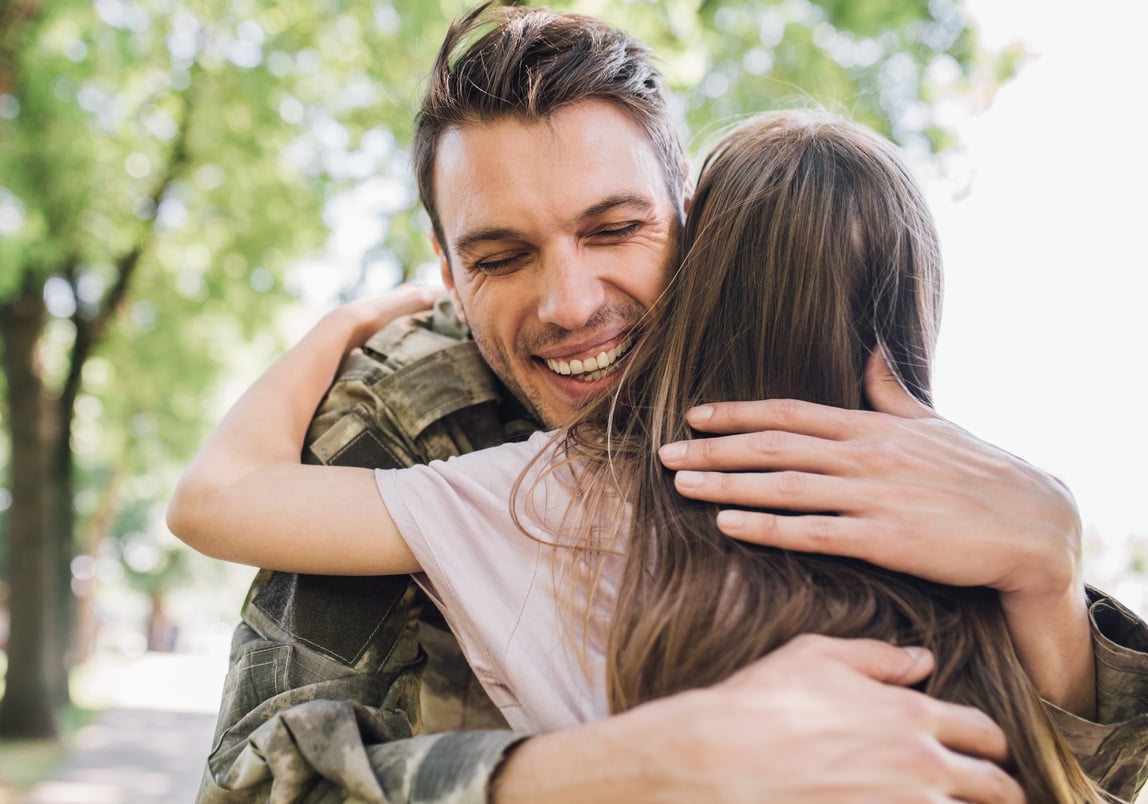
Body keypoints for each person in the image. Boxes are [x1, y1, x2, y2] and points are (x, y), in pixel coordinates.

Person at [187, 4, 1148, 802]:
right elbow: (264, 784)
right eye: (501, 256)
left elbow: (1098, 775)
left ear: (691, 217)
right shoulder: (405, 421)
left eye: (614, 228)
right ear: (444, 270)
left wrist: (1051, 576)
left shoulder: (871, 447)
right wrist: (652, 759)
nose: (570, 305)